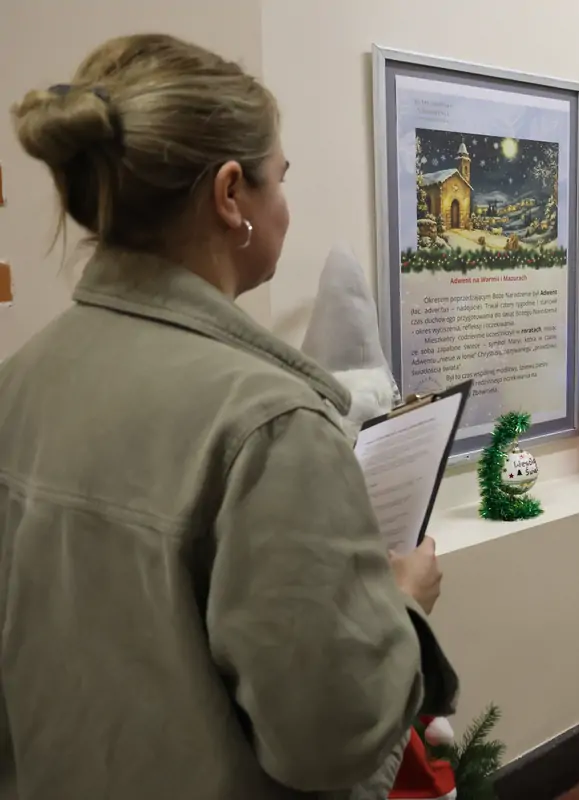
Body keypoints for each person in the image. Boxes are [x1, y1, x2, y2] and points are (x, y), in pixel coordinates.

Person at [0, 34, 456, 799]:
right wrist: (403, 606)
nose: (287, 206)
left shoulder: (16, 384)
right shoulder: (269, 424)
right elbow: (331, 740)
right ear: (231, 195)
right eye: (282, 178)